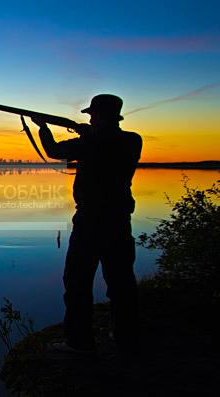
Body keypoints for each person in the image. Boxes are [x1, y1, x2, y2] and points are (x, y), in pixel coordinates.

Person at [31, 94, 142, 355]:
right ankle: (126, 335)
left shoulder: (91, 140)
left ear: (100, 116)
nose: (89, 118)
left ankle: (78, 342)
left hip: (90, 221)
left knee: (78, 282)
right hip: (119, 220)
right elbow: (102, 144)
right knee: (122, 281)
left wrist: (42, 128)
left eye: (93, 114)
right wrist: (86, 133)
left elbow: (54, 151)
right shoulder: (132, 139)